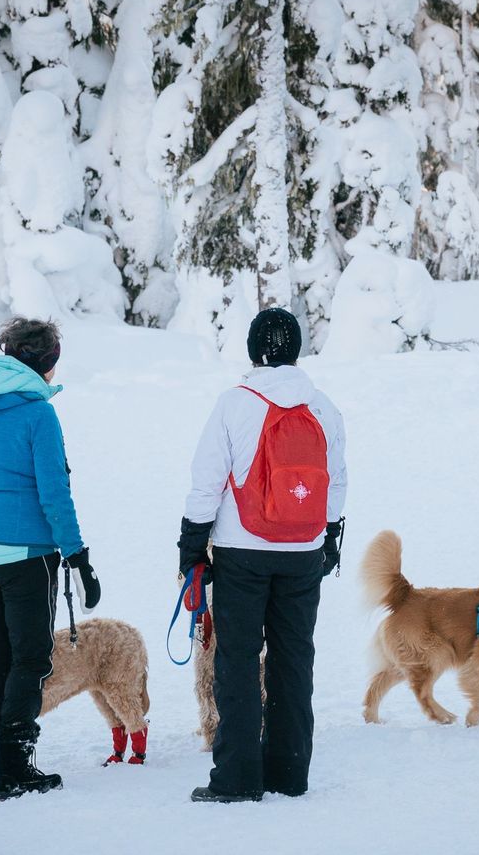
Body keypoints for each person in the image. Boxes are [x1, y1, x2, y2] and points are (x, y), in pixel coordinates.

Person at [179, 306, 347, 803]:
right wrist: (329, 538)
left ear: (255, 351)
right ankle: (289, 774)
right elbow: (336, 481)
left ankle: (236, 778)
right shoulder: (324, 407)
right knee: (294, 661)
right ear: (296, 350)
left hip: (242, 552)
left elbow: (207, 481)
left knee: (236, 662)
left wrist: (192, 547)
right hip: (303, 552)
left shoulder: (235, 403)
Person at [0, 316, 101, 798]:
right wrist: (77, 556)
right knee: (31, 658)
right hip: (24, 556)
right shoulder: (39, 415)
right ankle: (14, 769)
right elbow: (54, 493)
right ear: (46, 362)